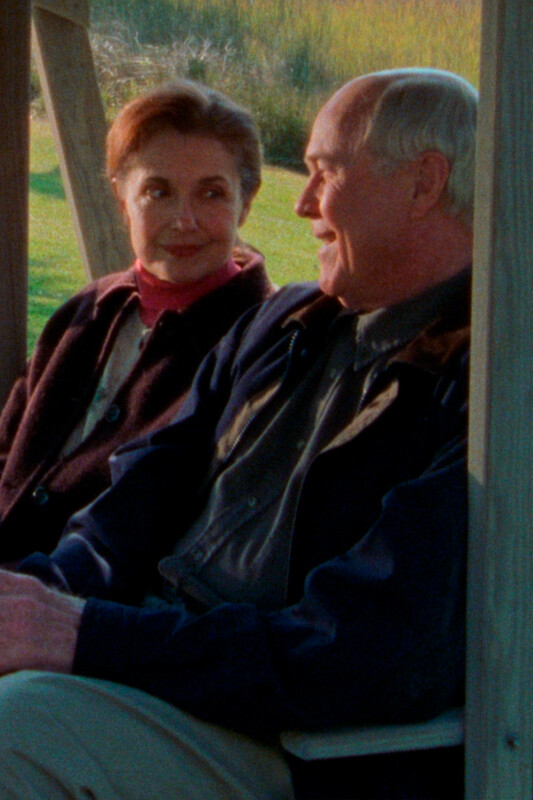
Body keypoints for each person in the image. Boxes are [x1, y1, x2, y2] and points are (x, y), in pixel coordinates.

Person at [0, 68, 476, 800]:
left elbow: (363, 652)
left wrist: (85, 636)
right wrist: (37, 601)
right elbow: (129, 509)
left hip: (286, 740)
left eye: (324, 173)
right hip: (157, 668)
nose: (302, 203)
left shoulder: (485, 388)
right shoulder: (282, 326)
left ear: (423, 183)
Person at [0, 79, 274, 562]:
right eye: (158, 191)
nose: (184, 219)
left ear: (245, 203)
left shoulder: (262, 345)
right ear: (122, 200)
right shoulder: (86, 312)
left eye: (212, 193)